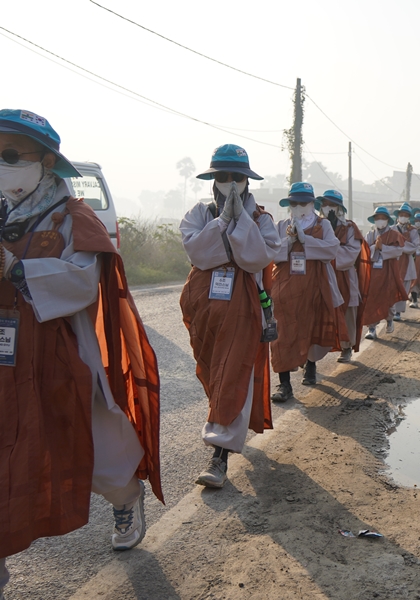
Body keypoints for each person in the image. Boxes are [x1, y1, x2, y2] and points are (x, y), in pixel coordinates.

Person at [0, 109, 162, 595]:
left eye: (11, 156)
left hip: (59, 355)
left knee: (94, 451)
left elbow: (83, 281)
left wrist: (14, 269)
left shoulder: (74, 217)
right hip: (4, 356)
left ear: (47, 162)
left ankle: (126, 498)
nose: (2, 166)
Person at [180, 143, 280, 489]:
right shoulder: (199, 214)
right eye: (223, 177)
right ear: (213, 180)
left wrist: (241, 223)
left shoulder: (263, 220)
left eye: (237, 177)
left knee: (231, 370)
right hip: (203, 302)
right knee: (211, 370)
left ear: (248, 181)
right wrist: (222, 221)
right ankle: (224, 422)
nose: (231, 183)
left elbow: (257, 258)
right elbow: (197, 253)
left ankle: (218, 457)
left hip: (242, 305)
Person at [270, 182, 342, 400]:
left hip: (314, 284)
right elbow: (271, 252)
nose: (299, 206)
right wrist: (290, 242)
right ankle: (284, 384)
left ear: (312, 203)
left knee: (310, 324)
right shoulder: (282, 225)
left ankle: (310, 365)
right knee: (282, 330)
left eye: (303, 202)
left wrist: (306, 240)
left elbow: (331, 249)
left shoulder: (323, 225)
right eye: (294, 202)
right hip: (284, 284)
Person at [319, 189, 370, 363]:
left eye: (331, 204)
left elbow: (350, 255)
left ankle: (346, 347)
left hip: (344, 277)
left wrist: (327, 248)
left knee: (347, 311)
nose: (327, 207)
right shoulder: (317, 226)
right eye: (324, 204)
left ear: (340, 208)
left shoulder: (350, 228)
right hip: (322, 276)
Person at [362, 207, 408, 339]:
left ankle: (389, 320)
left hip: (389, 270)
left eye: (382, 218)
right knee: (371, 298)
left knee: (388, 296)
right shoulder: (370, 234)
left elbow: (399, 251)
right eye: (377, 218)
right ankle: (372, 328)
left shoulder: (394, 235)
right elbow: (364, 251)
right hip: (373, 272)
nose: (380, 220)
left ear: (387, 220)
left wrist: (383, 248)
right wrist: (374, 247)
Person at [390, 203, 420, 321]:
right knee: (392, 286)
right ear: (398, 216)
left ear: (409, 217)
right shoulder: (391, 229)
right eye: (401, 215)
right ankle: (391, 310)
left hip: (407, 262)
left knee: (404, 286)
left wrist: (400, 246)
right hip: (393, 261)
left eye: (406, 215)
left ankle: (398, 312)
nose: (403, 217)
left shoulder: (413, 231)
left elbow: (414, 246)